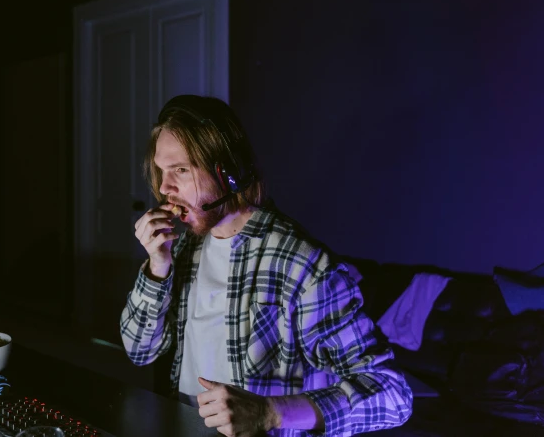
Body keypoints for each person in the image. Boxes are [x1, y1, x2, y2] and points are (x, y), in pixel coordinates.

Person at [120, 95, 413, 436]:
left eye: (181, 170)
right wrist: (158, 266)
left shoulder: (301, 263)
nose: (164, 189)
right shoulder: (182, 248)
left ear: (227, 172)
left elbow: (393, 395)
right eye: (161, 171)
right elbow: (139, 351)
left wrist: (268, 413)